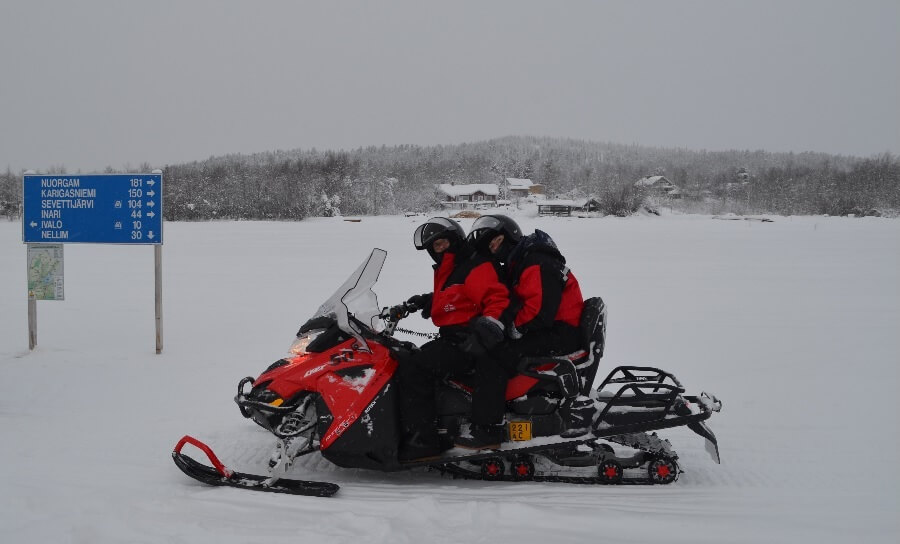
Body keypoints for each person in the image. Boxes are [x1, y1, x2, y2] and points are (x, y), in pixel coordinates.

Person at [394, 217, 512, 461]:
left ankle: (423, 440)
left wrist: (488, 328)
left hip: (470, 343)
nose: (440, 250)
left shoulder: (473, 265)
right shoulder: (453, 269)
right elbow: (458, 297)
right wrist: (425, 301)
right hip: (456, 339)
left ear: (456, 240)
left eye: (442, 243)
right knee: (410, 357)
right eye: (434, 247)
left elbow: (497, 298)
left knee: (414, 368)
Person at [467, 214, 585, 363]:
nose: (494, 251)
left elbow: (539, 312)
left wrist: (510, 329)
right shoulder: (521, 263)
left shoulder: (536, 262)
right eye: (491, 248)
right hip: (553, 328)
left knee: (497, 356)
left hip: (562, 332)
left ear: (510, 236)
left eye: (496, 243)